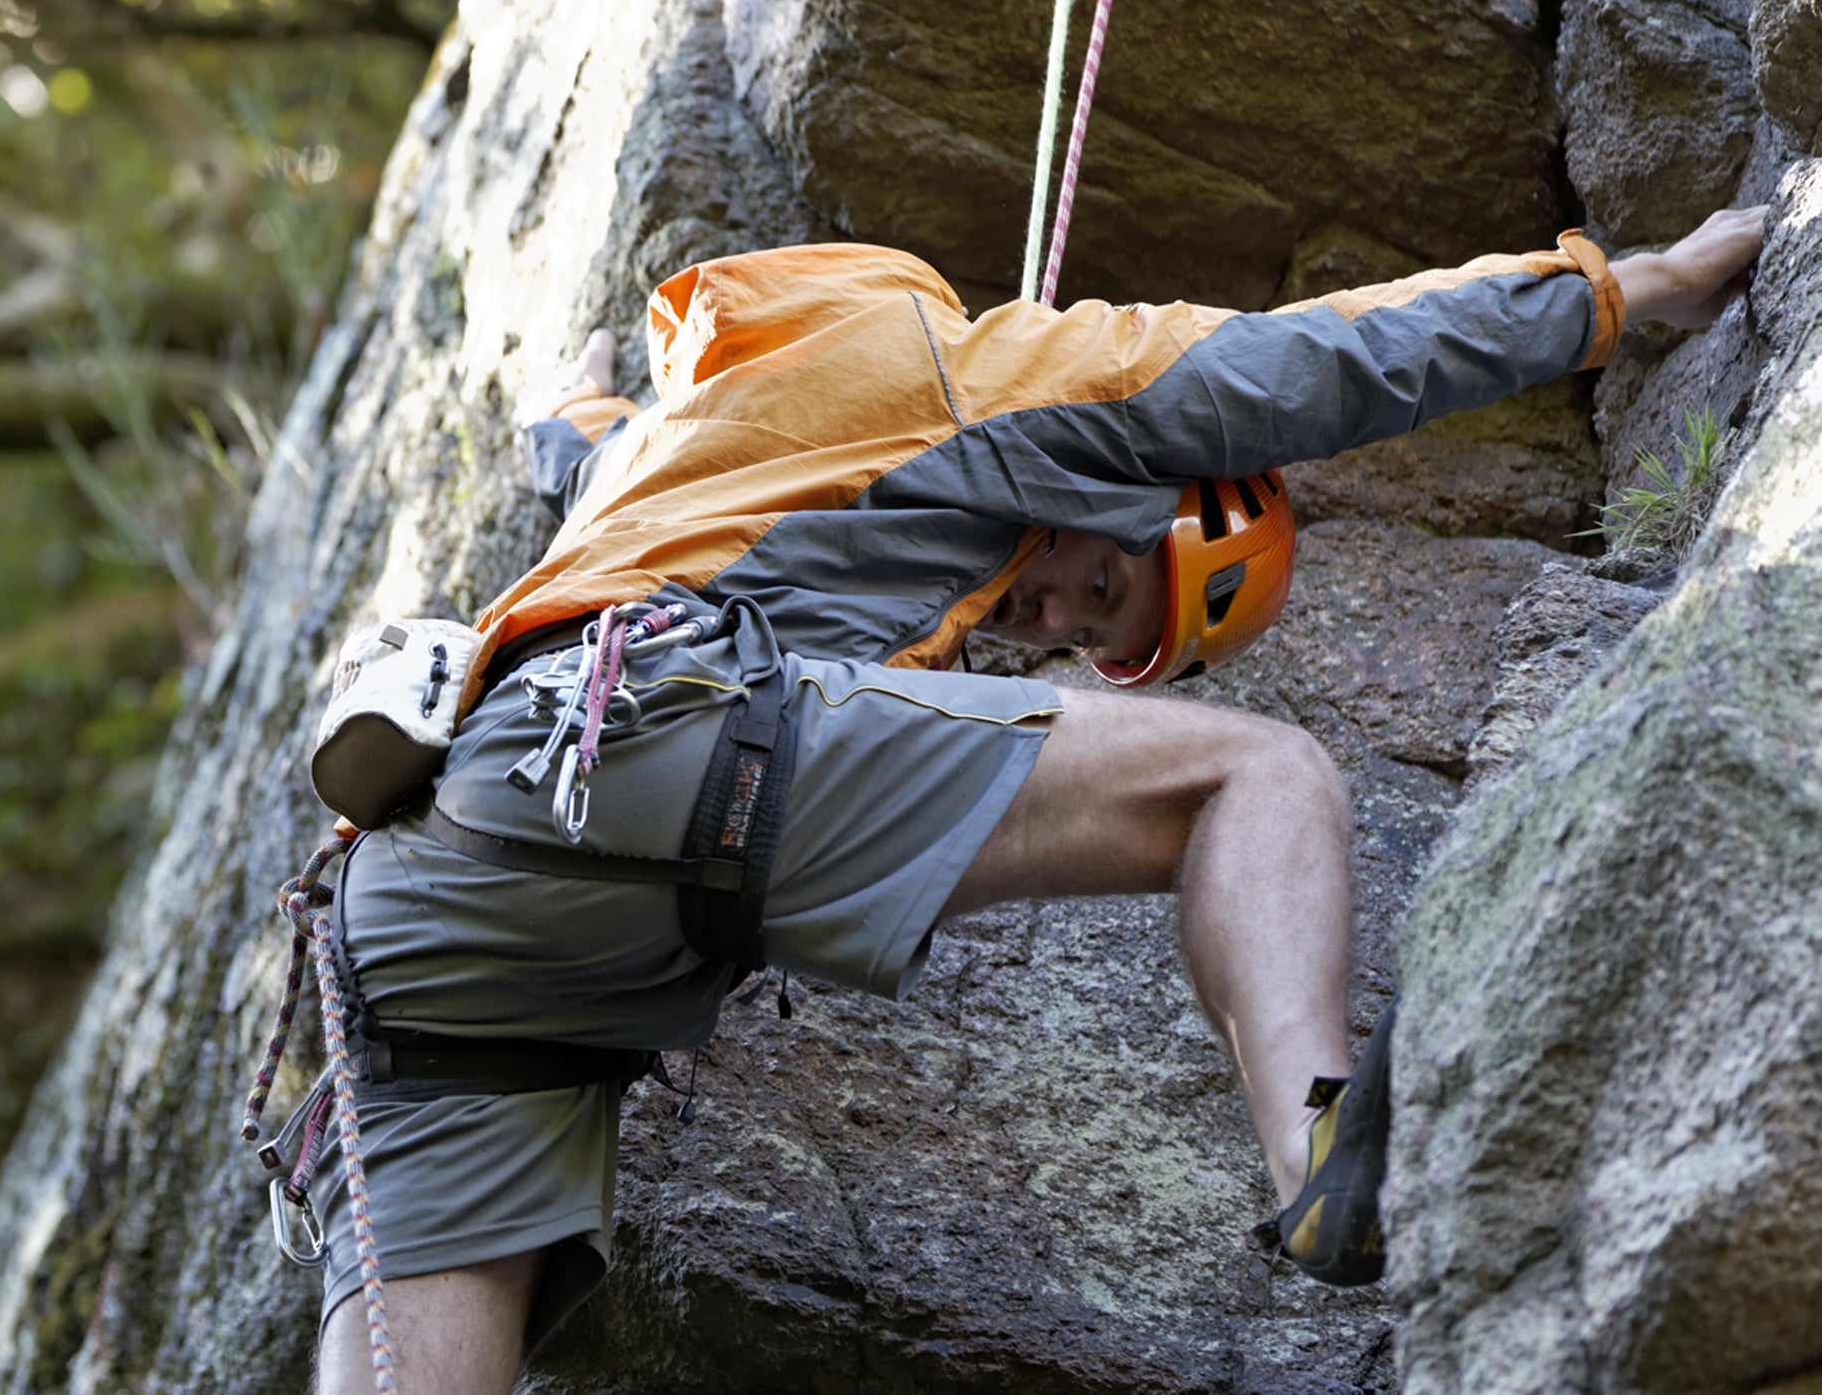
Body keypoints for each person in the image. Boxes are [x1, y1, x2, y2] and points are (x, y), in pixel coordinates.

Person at [305, 207, 1769, 1395]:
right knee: (1253, 774)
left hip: (435, 903)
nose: (1055, 615)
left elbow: (571, 438)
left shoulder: (695, 429)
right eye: (1111, 581)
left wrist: (568, 414)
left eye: (1094, 637)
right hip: (655, 744)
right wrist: (1625, 294)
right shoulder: (991, 373)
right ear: (1151, 488)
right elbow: (1306, 363)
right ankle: (1320, 1151)